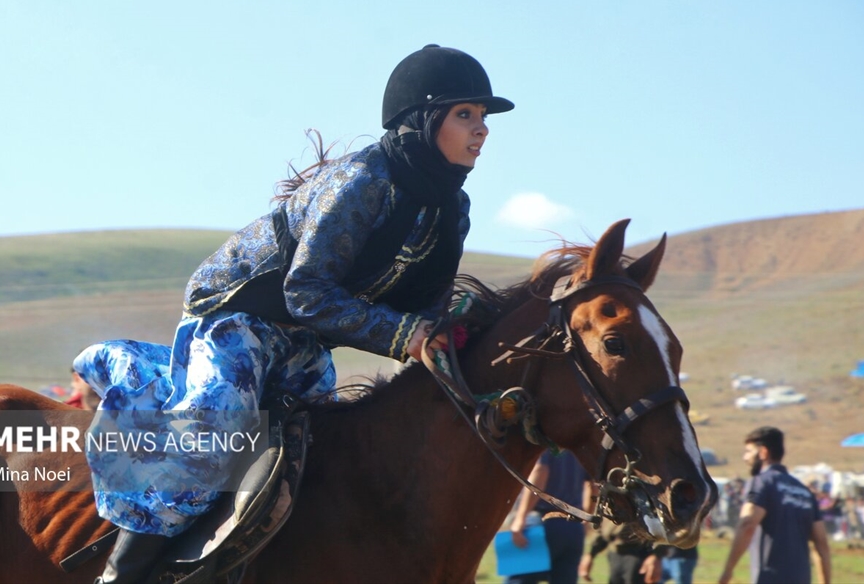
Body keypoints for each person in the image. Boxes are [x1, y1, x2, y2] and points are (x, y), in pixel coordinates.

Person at [73, 44, 514, 584]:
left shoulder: (451, 208)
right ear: (421, 121)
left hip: (304, 343)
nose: (482, 130)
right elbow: (306, 291)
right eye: (465, 114)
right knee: (215, 444)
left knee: (323, 458)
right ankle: (122, 573)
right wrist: (406, 335)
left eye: (483, 118)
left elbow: (425, 309)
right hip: (235, 317)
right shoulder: (361, 182)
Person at [718, 426, 831, 584]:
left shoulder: (760, 483)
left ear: (763, 452)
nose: (745, 458)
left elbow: (748, 523)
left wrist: (728, 570)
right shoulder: (804, 491)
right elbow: (821, 543)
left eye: (748, 451)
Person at [505, 451, 590, 584]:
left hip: (541, 523)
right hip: (573, 527)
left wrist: (521, 517)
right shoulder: (579, 446)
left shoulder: (547, 443)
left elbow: (540, 471)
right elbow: (594, 485)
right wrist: (585, 521)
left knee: (519, 579)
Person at [0, 338, 99, 411]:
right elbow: (18, 405)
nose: (104, 381)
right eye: (95, 372)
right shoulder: (61, 418)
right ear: (76, 379)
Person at [579, 520, 664, 584]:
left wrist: (657, 554)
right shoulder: (610, 499)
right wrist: (591, 554)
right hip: (615, 554)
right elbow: (604, 527)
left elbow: (665, 527)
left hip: (640, 553)